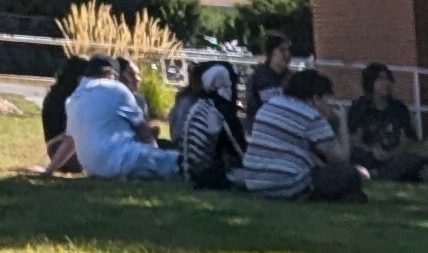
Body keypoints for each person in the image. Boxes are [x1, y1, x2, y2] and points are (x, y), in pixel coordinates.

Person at [242, 65, 362, 203]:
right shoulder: (311, 116)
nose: (329, 104)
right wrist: (342, 121)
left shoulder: (270, 105)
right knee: (350, 175)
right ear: (316, 98)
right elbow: (341, 158)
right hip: (286, 183)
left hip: (254, 182)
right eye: (327, 99)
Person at [60, 59, 176, 182]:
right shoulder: (116, 89)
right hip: (124, 161)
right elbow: (144, 132)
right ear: (111, 74)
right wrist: (155, 153)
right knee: (178, 161)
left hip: (94, 169)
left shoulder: (73, 99)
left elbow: (70, 141)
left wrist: (49, 170)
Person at [170, 59, 244, 190]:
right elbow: (240, 149)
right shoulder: (220, 108)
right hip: (206, 175)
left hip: (188, 170)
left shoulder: (201, 104)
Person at [346, 62, 421, 181]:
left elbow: (405, 140)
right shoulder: (359, 108)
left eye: (388, 79)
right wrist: (372, 151)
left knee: (414, 159)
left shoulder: (399, 108)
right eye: (381, 79)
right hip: (369, 156)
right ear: (370, 82)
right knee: (355, 155)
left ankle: (377, 174)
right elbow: (355, 141)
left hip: (393, 157)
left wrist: (391, 154)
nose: (386, 83)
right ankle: (381, 173)